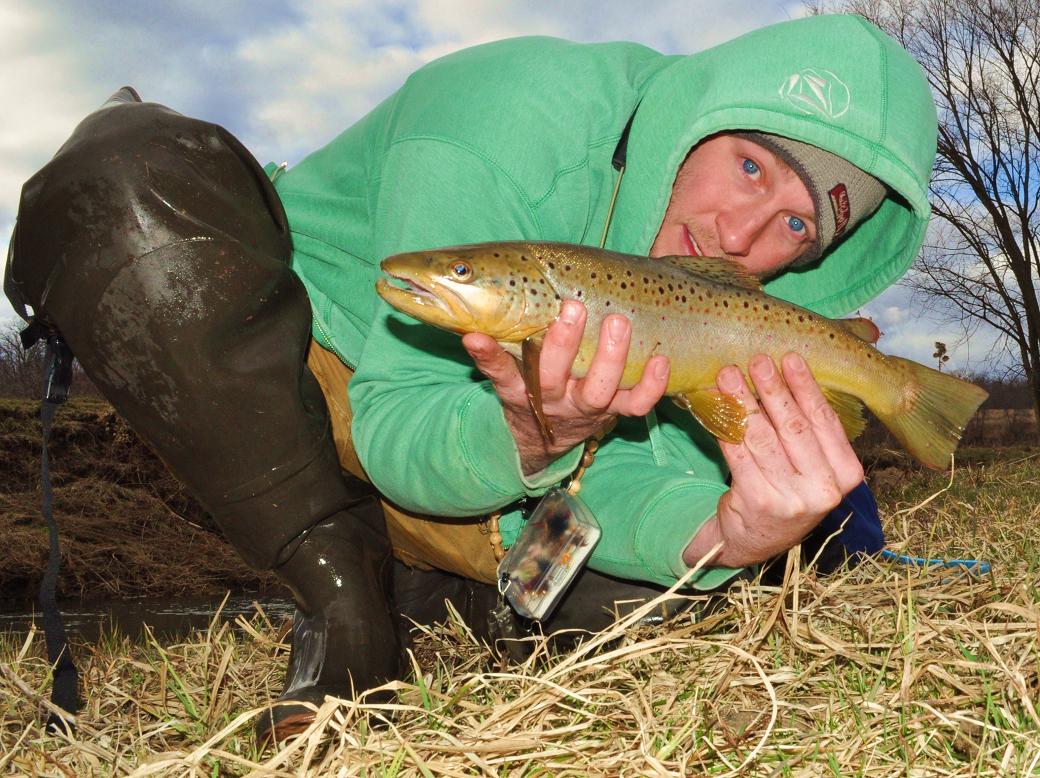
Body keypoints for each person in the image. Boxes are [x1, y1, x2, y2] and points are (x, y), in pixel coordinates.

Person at [4, 14, 935, 743]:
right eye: (749, 165)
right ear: (704, 114)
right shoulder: (511, 115)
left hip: (505, 480)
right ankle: (342, 592)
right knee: (122, 176)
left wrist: (730, 535)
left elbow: (643, 486)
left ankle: (431, 585)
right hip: (308, 365)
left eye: (798, 226)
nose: (740, 235)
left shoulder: (738, 320)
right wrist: (528, 428)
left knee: (677, 596)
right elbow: (399, 414)